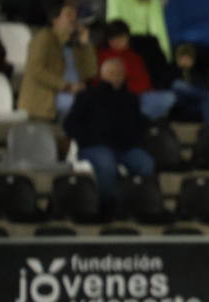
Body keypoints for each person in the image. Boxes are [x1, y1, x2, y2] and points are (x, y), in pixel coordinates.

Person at [64, 56, 154, 215]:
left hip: (125, 148)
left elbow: (140, 125)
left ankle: (140, 204)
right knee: (106, 164)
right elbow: (70, 124)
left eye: (119, 72)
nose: (116, 76)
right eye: (111, 72)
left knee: (145, 162)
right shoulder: (87, 96)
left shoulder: (131, 99)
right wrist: (89, 138)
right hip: (94, 146)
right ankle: (106, 206)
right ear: (102, 74)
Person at [19, 0, 96, 121]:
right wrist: (67, 86)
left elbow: (91, 72)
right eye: (69, 15)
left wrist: (86, 45)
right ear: (55, 20)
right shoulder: (44, 37)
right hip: (45, 107)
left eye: (75, 16)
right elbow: (35, 69)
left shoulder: (77, 46)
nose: (74, 19)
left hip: (74, 108)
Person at [97, 19, 176, 121]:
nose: (117, 42)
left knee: (169, 98)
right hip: (115, 99)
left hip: (140, 97)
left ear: (128, 38)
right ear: (108, 40)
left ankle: (141, 122)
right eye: (113, 39)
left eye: (121, 38)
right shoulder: (102, 55)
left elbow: (145, 81)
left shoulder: (134, 56)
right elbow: (99, 82)